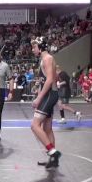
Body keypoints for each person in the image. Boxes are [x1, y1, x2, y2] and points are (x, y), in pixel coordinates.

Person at [30, 37, 61, 169]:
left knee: (34, 125)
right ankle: (53, 160)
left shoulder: (47, 58)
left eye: (34, 47)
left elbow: (49, 80)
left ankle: (53, 152)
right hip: (49, 94)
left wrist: (39, 98)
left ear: (41, 47)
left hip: (49, 95)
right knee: (47, 129)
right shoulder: (45, 59)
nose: (33, 49)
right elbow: (46, 81)